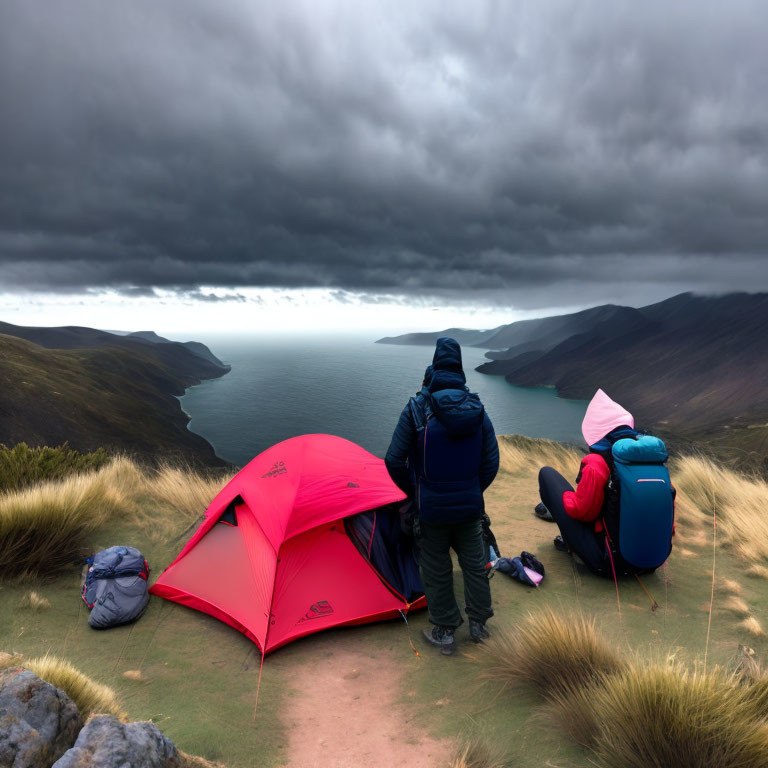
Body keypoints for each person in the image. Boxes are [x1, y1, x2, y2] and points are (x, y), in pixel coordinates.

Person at [385, 337, 499, 655]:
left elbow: (393, 460)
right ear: (459, 367)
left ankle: (445, 632)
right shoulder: (476, 408)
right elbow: (491, 461)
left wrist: (415, 492)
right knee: (475, 564)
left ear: (435, 366)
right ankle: (479, 627)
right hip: (469, 508)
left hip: (431, 508)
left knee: (436, 568)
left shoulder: (416, 409)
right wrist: (473, 489)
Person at [537, 389, 674, 578]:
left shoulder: (596, 463)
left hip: (608, 563)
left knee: (547, 475)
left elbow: (582, 513)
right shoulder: (654, 463)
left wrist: (566, 497)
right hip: (653, 563)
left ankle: (569, 543)